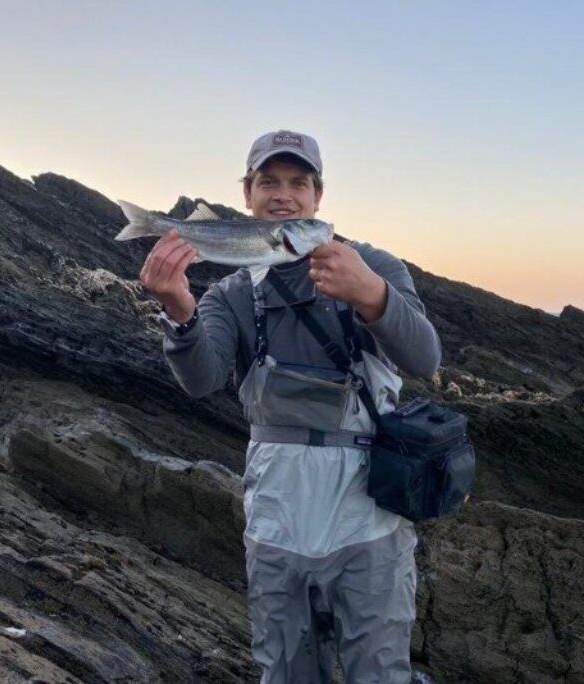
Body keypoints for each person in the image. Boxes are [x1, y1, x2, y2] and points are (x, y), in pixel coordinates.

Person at [139, 130, 442, 683]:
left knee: (379, 671)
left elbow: (424, 357)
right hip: (276, 516)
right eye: (268, 182)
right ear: (247, 194)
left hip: (367, 513)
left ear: (318, 197)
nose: (284, 194)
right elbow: (202, 380)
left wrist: (371, 294)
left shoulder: (372, 264)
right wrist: (179, 311)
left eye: (298, 183)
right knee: (285, 671)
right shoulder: (231, 292)